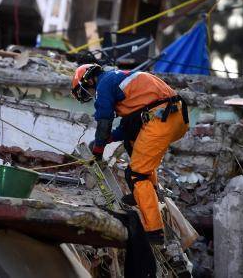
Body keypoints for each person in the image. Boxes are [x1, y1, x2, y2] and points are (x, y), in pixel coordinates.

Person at [71, 64, 189, 243]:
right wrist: (110, 138)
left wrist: (97, 151)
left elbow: (104, 122)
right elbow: (129, 125)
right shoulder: (117, 79)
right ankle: (148, 193)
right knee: (132, 143)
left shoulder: (103, 85)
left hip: (162, 118)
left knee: (136, 175)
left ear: (89, 80)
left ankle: (154, 232)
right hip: (174, 116)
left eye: (86, 89)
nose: (90, 93)